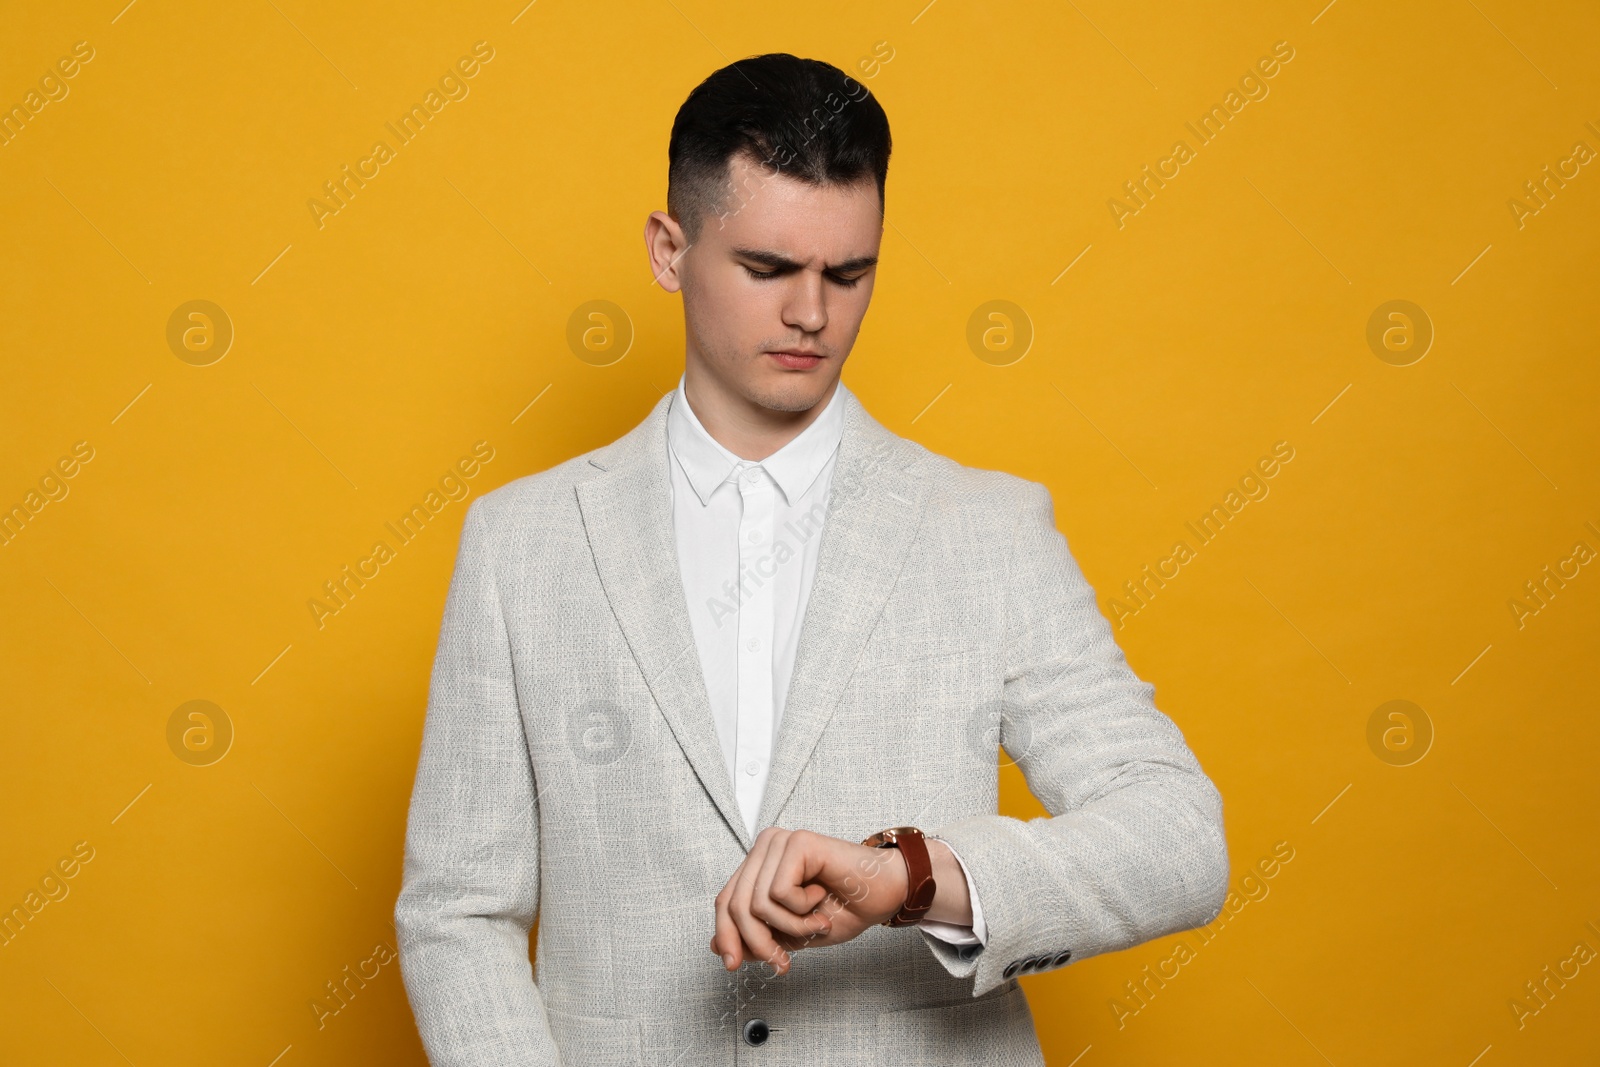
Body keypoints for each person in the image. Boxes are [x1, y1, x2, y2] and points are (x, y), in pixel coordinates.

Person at [395, 52, 1229, 1066]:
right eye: (766, 268)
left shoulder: (987, 529)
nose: (810, 314)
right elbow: (457, 910)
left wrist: (915, 875)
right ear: (669, 249)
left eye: (847, 273)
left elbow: (1180, 837)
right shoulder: (518, 542)